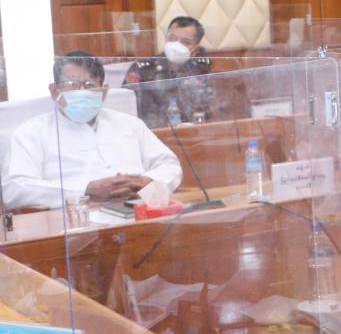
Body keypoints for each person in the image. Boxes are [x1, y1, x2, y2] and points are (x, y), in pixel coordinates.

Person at [6, 51, 183, 210]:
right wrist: (86, 190)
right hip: (73, 219)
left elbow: (170, 165)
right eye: (71, 84)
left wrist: (145, 182)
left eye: (90, 84)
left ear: (104, 91)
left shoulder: (130, 124)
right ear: (54, 91)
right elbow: (14, 189)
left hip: (137, 211)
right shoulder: (31, 133)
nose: (81, 92)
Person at [125, 15, 214, 127]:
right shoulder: (143, 69)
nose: (176, 45)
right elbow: (127, 108)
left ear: (195, 50)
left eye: (185, 42)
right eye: (172, 38)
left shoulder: (199, 70)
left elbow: (206, 111)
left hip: (191, 132)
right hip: (151, 132)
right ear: (166, 39)